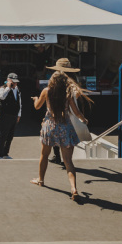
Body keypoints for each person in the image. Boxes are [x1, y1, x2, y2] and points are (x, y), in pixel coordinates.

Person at [32, 59, 89, 202]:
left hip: (50, 126)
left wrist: (35, 99)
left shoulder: (46, 91)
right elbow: (76, 112)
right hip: (64, 126)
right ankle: (74, 189)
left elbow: (37, 107)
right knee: (68, 161)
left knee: (44, 155)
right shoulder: (68, 92)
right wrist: (83, 119)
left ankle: (40, 180)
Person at [0, 72, 23, 159]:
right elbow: (1, 97)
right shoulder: (2, 88)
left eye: (16, 82)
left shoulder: (17, 89)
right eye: (13, 82)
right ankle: (0, 154)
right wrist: (8, 87)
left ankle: (5, 153)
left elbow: (20, 102)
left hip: (14, 115)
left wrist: (19, 114)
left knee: (10, 135)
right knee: (4, 135)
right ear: (8, 80)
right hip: (5, 115)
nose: (15, 84)